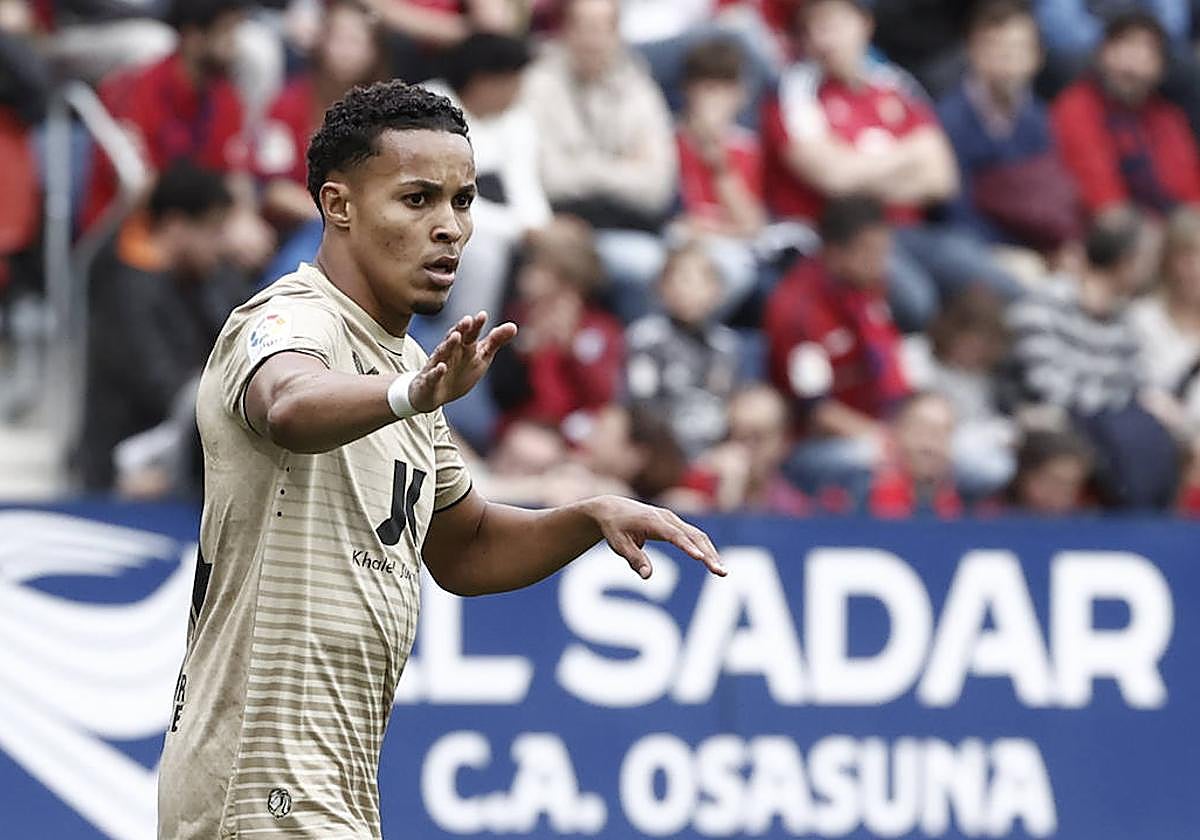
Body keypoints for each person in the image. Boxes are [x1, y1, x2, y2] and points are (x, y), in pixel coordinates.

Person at [157, 80, 724, 840]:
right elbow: (288, 403)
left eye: (463, 201)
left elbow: (468, 545)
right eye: (417, 199)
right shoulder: (292, 317)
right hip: (260, 777)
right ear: (339, 206)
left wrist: (588, 517)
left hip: (331, 778)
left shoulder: (408, 368)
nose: (450, 227)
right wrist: (407, 395)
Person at [762, 0, 1021, 330]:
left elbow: (942, 179)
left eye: (831, 25)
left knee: (1006, 289)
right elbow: (835, 180)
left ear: (864, 24)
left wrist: (858, 167)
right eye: (811, 29)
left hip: (907, 231)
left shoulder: (895, 84)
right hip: (838, 240)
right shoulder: (795, 90)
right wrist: (907, 155)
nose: (823, 39)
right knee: (916, 303)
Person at [80, 161, 245, 492]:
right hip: (122, 478)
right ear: (175, 225)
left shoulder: (203, 285)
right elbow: (163, 387)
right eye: (213, 230)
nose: (222, 244)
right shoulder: (126, 290)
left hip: (181, 463)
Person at [1005, 213, 1184, 508]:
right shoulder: (1045, 302)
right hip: (1046, 419)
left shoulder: (1123, 318)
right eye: (1149, 258)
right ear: (1127, 262)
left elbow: (1135, 380)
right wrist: (1115, 404)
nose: (1155, 268)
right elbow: (1047, 384)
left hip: (1103, 425)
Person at [521, 0, 677, 321]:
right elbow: (548, 177)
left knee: (660, 263)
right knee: (641, 263)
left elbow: (657, 186)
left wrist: (583, 166)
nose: (592, 39)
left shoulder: (639, 88)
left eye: (602, 28)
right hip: (559, 225)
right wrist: (622, 167)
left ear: (616, 34)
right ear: (566, 30)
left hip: (625, 225)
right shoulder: (538, 83)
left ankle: (644, 352)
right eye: (583, 27)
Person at [764, 194, 910, 492]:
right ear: (835, 252)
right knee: (876, 458)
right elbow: (817, 413)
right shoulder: (798, 310)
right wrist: (888, 441)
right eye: (870, 252)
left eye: (884, 251)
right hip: (813, 447)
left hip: (880, 428)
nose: (881, 263)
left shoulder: (868, 291)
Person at [937, 0, 1081, 258]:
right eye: (995, 46)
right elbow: (957, 212)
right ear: (972, 49)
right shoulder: (949, 119)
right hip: (978, 250)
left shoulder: (1039, 118)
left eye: (1018, 48)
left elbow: (1049, 199)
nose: (1007, 58)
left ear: (1037, 57)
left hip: (1037, 246)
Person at [425, 32, 550, 323]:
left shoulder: (517, 119)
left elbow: (525, 185)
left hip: (501, 229)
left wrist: (541, 229)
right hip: (432, 225)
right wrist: (522, 231)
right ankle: (465, 342)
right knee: (483, 254)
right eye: (513, 82)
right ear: (484, 81)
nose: (518, 91)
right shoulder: (431, 108)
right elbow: (444, 201)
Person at [1051, 11, 1200, 221]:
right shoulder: (1076, 108)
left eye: (1146, 53)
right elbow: (1102, 199)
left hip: (1172, 224)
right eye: (1124, 47)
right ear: (1103, 53)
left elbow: (1189, 188)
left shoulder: (1166, 117)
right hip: (1107, 227)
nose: (1132, 65)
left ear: (1161, 68)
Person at [256, 0, 389, 229]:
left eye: (356, 41)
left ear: (375, 51)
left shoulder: (384, 113)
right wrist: (332, 216)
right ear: (320, 40)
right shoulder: (287, 103)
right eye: (339, 39)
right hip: (302, 225)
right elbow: (274, 190)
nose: (346, 51)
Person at [488, 216, 624, 433]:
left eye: (538, 269)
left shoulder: (600, 330)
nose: (526, 277)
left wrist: (573, 348)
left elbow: (603, 398)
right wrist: (525, 350)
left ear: (569, 282)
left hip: (578, 437)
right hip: (524, 431)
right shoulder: (516, 321)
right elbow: (501, 395)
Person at [674, 35, 768, 313]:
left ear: (740, 95)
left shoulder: (746, 147)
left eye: (725, 89)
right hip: (680, 244)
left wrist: (719, 165)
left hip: (726, 243)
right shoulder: (670, 141)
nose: (714, 100)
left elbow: (750, 225)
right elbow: (677, 221)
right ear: (688, 90)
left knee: (736, 271)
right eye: (707, 88)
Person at [626, 241, 740, 457]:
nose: (687, 290)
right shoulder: (646, 338)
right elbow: (642, 405)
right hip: (662, 450)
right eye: (679, 280)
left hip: (712, 448)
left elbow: (730, 404)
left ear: (717, 291)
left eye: (699, 281)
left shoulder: (726, 344)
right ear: (662, 288)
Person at [1131, 207, 1200, 428]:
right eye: (1187, 258)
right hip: (1160, 436)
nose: (1195, 270)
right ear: (1167, 261)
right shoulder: (1140, 319)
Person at [694, 384, 811, 514]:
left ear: (783, 443)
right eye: (737, 436)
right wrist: (726, 494)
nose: (742, 450)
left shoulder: (794, 510)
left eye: (757, 438)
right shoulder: (696, 497)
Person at [867, 390, 963, 518]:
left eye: (941, 433)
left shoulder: (973, 508)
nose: (929, 445)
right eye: (919, 430)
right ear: (895, 433)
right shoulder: (855, 502)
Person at [1006, 427, 1094, 515]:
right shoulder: (999, 513)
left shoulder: (1086, 515)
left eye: (1069, 487)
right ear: (1023, 476)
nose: (1058, 496)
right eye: (1051, 481)